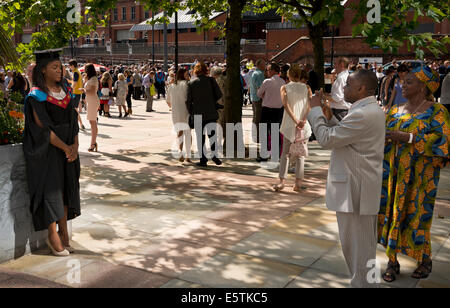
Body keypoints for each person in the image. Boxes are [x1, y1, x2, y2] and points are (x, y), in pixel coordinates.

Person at [307, 70, 386, 288]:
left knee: (359, 251)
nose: (343, 88)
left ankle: (365, 285)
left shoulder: (364, 113)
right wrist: (329, 116)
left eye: (349, 85)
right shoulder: (365, 109)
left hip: (356, 191)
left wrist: (315, 111)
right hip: (358, 188)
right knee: (361, 249)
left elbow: (326, 139)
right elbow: (345, 136)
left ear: (362, 89)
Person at [378, 66, 449, 283]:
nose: (402, 85)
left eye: (409, 82)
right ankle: (392, 261)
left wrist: (409, 138)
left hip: (420, 177)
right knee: (391, 213)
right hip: (392, 175)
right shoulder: (394, 110)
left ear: (423, 86)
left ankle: (424, 259)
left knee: (417, 215)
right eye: (403, 81)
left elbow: (443, 143)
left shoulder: (436, 111)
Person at [23, 49, 80, 256]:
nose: (60, 70)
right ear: (43, 70)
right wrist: (66, 148)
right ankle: (52, 234)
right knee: (51, 191)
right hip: (47, 152)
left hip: (67, 150)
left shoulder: (66, 92)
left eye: (61, 67)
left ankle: (64, 231)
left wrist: (74, 145)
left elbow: (72, 121)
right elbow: (43, 130)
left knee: (65, 190)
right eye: (55, 67)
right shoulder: (36, 96)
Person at [274, 64, 312, 192]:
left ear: (289, 75)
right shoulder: (307, 87)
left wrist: (295, 120)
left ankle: (281, 181)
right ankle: (298, 183)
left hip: (289, 124)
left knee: (285, 154)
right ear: (300, 75)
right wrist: (303, 120)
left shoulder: (284, 87)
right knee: (301, 154)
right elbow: (309, 106)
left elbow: (285, 105)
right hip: (303, 124)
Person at [186, 62, 223, 167]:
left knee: (200, 138)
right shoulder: (211, 80)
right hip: (210, 112)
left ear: (196, 71)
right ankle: (214, 155)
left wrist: (191, 111)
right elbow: (219, 94)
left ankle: (203, 159)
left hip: (198, 113)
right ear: (206, 70)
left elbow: (188, 101)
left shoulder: (192, 83)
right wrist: (211, 101)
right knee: (212, 136)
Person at [257, 62, 286, 162]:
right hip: (278, 110)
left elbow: (259, 93)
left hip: (267, 110)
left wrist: (265, 95)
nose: (267, 72)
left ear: (274, 70)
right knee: (276, 132)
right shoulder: (283, 81)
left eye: (269, 70)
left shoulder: (267, 82)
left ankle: (264, 155)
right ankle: (276, 155)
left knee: (265, 132)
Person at [167, 68, 192, 162]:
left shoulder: (172, 85)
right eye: (186, 75)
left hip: (176, 112)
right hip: (186, 111)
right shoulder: (187, 85)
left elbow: (168, 101)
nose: (188, 76)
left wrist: (173, 106)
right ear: (183, 75)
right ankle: (188, 155)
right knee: (188, 133)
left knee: (179, 133)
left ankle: (180, 151)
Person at [82, 63, 100, 152]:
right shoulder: (91, 79)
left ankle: (93, 143)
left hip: (92, 100)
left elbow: (92, 91)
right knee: (92, 122)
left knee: (93, 122)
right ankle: (93, 142)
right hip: (90, 101)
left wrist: (84, 90)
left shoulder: (93, 79)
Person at [250, 59, 266, 143]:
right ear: (259, 65)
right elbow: (260, 88)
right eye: (264, 64)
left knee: (255, 117)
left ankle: (255, 136)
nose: (265, 66)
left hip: (254, 98)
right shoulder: (259, 74)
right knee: (258, 118)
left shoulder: (254, 73)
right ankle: (257, 137)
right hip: (259, 99)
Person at [68, 59, 85, 130]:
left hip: (75, 93)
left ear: (72, 65)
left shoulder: (75, 73)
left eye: (69, 65)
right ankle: (80, 124)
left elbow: (74, 84)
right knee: (74, 110)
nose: (69, 67)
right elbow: (75, 82)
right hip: (77, 93)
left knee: (74, 110)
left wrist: (69, 91)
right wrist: (68, 81)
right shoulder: (77, 72)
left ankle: (79, 124)